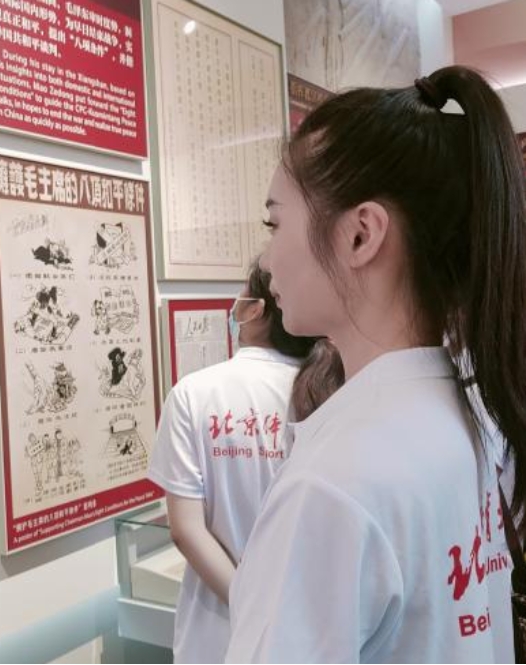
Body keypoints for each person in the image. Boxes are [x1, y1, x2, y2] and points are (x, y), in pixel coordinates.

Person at [225, 66, 525, 662]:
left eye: (274, 222)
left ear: (360, 235)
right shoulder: (467, 419)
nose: (266, 257)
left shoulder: (331, 485)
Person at [147, 260, 316, 663]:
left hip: (215, 636)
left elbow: (186, 530)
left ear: (255, 311)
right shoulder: (325, 389)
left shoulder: (193, 393)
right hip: (306, 625)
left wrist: (249, 605)